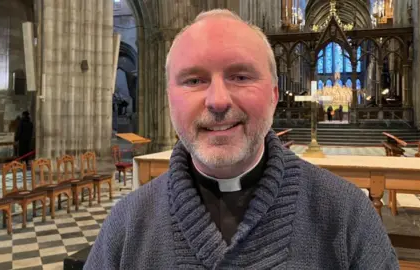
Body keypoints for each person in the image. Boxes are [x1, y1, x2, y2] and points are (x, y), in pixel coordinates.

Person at [86, 9, 398, 269]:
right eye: (194, 80)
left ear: (274, 95)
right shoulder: (126, 225)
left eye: (240, 76)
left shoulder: (346, 214)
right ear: (169, 99)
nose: (217, 100)